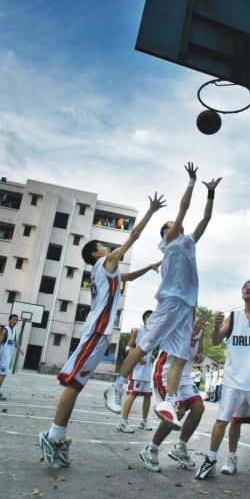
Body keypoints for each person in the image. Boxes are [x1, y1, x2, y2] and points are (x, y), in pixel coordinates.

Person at [38, 192, 166, 469]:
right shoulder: (104, 263)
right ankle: (53, 435)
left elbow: (128, 276)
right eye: (103, 245)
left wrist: (151, 266)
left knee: (77, 384)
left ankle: (58, 434)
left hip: (100, 333)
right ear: (96, 254)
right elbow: (132, 239)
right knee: (73, 383)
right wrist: (151, 211)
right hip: (96, 331)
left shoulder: (108, 270)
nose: (108, 247)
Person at [105, 163, 222, 428]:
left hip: (186, 306)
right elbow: (183, 209)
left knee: (181, 355)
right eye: (171, 226)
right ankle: (117, 386)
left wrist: (211, 193)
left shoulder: (189, 240)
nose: (177, 225)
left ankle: (169, 399)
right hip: (170, 301)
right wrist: (191, 182)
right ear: (166, 233)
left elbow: (206, 219)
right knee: (145, 345)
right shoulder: (169, 242)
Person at [195, 280, 250, 488]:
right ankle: (211, 458)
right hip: (233, 380)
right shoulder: (233, 317)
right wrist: (216, 325)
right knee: (223, 420)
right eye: (244, 287)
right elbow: (216, 341)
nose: (247, 288)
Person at [140, 317, 205, 472]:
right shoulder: (177, 319)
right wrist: (192, 331)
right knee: (178, 411)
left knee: (198, 408)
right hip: (165, 372)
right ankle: (151, 449)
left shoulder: (200, 325)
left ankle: (179, 447)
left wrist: (199, 357)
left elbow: (199, 352)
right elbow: (171, 343)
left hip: (185, 376)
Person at [117, 310, 155, 433]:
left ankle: (144, 421)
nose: (150, 318)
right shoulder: (138, 331)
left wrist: (153, 356)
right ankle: (123, 421)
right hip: (137, 370)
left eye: (152, 317)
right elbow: (128, 348)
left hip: (148, 371)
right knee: (132, 394)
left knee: (148, 397)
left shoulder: (154, 333)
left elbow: (150, 350)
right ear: (144, 319)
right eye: (148, 316)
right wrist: (137, 357)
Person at [0, 314, 24, 399]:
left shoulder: (13, 330)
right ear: (9, 320)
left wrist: (20, 349)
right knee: (3, 374)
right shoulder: (5, 330)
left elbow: (15, 342)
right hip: (3, 356)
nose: (15, 321)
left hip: (7, 356)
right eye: (13, 319)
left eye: (16, 320)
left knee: (3, 374)